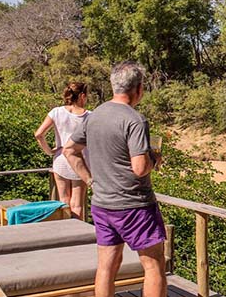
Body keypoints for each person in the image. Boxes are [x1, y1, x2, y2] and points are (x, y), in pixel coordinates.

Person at [63, 61, 166, 297]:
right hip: (135, 206)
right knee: (154, 265)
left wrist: (90, 180)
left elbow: (69, 150)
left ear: (113, 86)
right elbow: (140, 168)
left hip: (102, 204)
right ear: (139, 89)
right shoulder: (135, 120)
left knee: (107, 266)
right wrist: (154, 158)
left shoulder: (95, 115)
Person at [34, 82, 90, 220]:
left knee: (63, 201)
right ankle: (78, 231)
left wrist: (49, 151)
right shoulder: (89, 116)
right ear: (82, 96)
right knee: (77, 204)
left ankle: (66, 230)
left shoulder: (56, 112)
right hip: (79, 161)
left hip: (60, 160)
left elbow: (39, 134)